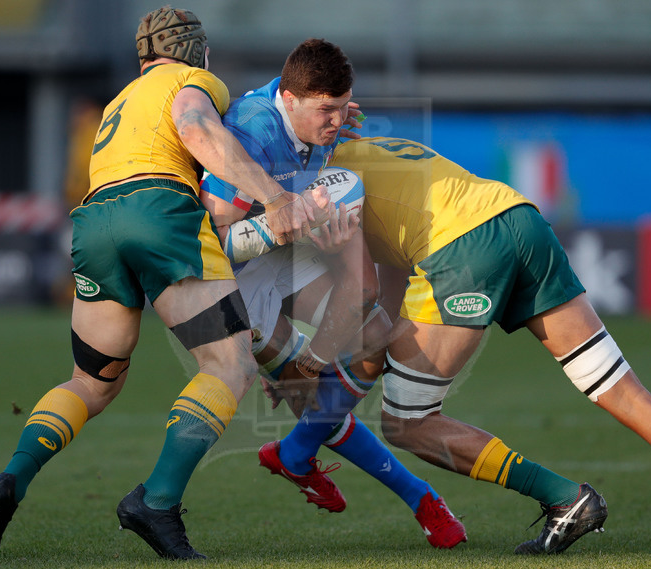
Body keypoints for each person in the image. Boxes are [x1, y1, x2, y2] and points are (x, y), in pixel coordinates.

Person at [0, 7, 326, 561]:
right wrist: (277, 199)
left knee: (92, 380)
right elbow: (197, 128)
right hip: (158, 210)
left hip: (93, 223)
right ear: (198, 52)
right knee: (229, 364)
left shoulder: (119, 101)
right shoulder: (193, 81)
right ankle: (155, 502)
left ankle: (9, 479)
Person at [330, 136, 651, 553]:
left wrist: (317, 365)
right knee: (626, 394)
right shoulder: (369, 145)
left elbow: (364, 298)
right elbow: (392, 294)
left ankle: (566, 498)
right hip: (519, 217)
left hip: (463, 249)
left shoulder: (317, 181)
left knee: (406, 421)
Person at [200, 39, 467, 548]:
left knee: (372, 335)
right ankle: (419, 497)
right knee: (309, 398)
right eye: (327, 108)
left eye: (343, 105)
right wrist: (289, 221)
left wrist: (329, 127)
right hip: (235, 275)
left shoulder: (317, 117)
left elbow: (314, 161)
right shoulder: (254, 129)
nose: (337, 118)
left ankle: (329, 466)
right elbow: (214, 242)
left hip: (285, 250)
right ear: (292, 99)